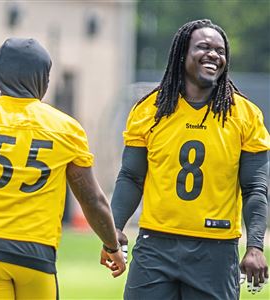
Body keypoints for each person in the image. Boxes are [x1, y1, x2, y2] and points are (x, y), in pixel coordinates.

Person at [111, 19, 269, 300]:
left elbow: (255, 187)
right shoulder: (150, 109)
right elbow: (131, 176)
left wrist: (255, 246)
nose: (213, 55)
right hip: (156, 245)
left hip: (216, 250)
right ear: (183, 53)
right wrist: (115, 226)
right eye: (204, 47)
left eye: (220, 51)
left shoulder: (245, 114)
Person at [0, 38, 125, 299]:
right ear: (43, 79)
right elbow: (92, 199)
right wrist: (112, 245)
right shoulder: (65, 128)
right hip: (36, 254)